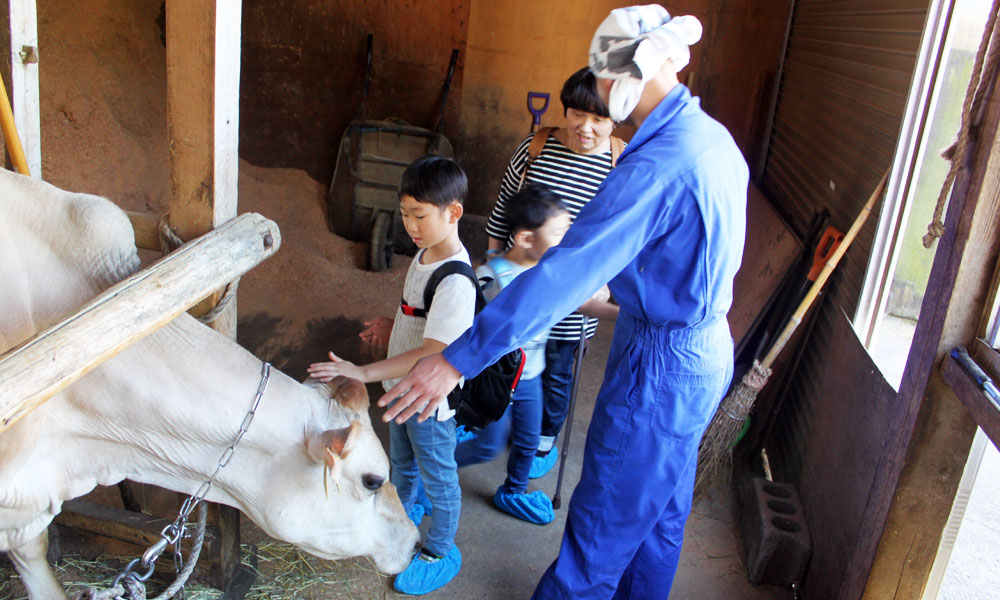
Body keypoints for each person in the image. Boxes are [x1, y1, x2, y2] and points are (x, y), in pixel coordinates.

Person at [375, 5, 749, 599]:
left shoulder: (653, 166)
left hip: (661, 363)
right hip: (699, 346)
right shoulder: (710, 138)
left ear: (635, 73)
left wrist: (457, 358)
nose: (597, 93)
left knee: (601, 523)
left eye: (602, 79)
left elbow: (563, 276)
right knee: (656, 514)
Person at [307, 155, 474, 595]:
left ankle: (439, 549)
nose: (410, 225)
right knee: (400, 461)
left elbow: (431, 352)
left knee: (441, 478)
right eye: (404, 214)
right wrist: (391, 323)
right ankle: (408, 510)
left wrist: (361, 369)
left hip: (428, 402)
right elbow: (420, 319)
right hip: (402, 394)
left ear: (452, 213)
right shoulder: (425, 255)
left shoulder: (456, 281)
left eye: (419, 215)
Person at [486, 66, 624, 478]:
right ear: (565, 111)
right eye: (577, 114)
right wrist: (491, 264)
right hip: (522, 280)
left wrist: (607, 285)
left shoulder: (622, 163)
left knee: (559, 368)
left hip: (576, 291)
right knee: (512, 355)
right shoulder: (536, 146)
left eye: (599, 119)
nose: (586, 128)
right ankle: (510, 420)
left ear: (615, 120)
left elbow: (623, 235)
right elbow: (503, 209)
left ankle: (544, 437)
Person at [458, 185, 574, 525]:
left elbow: (579, 301)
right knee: (488, 445)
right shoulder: (489, 278)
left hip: (531, 378)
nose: (565, 240)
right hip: (494, 380)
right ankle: (435, 467)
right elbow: (467, 327)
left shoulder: (549, 272)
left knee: (528, 440)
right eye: (558, 233)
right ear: (525, 239)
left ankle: (514, 490)